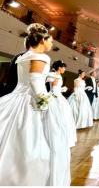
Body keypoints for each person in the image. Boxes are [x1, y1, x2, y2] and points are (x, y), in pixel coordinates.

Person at [0, 23, 70, 185]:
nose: (52, 44)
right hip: (30, 101)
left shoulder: (21, 57)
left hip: (16, 98)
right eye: (50, 41)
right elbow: (35, 80)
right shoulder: (40, 56)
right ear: (42, 41)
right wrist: (44, 102)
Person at [47, 60, 77, 148]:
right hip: (56, 97)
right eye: (64, 67)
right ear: (59, 68)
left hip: (57, 96)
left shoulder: (57, 75)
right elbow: (54, 89)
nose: (65, 69)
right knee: (61, 116)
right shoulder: (56, 75)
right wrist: (62, 89)